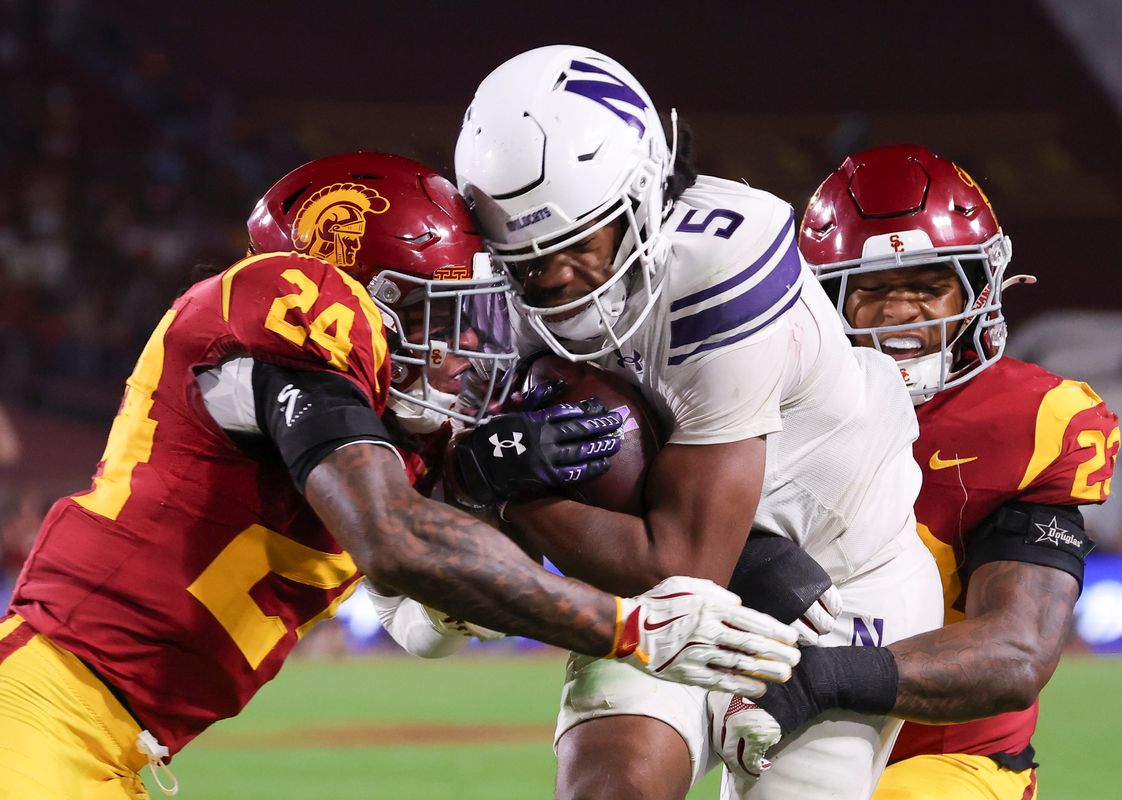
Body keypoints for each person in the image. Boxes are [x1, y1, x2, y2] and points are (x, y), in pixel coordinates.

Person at [0, 152, 803, 799]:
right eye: (433, 318)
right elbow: (393, 540)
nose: (459, 356)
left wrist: (479, 489)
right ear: (365, 296)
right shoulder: (295, 301)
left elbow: (425, 626)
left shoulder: (379, 450)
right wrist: (632, 629)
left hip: (112, 749)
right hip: (39, 720)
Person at [451, 46, 943, 800]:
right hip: (681, 569)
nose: (553, 279)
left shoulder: (724, 263)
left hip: (838, 586)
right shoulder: (493, 283)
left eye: (579, 243)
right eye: (526, 259)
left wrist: (508, 487)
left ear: (643, 191)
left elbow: (681, 564)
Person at [721, 144, 1120, 799]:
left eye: (929, 286)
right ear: (821, 303)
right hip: (780, 711)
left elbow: (1017, 652)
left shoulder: (1030, 420)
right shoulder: (760, 399)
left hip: (946, 752)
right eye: (871, 289)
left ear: (977, 287)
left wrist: (826, 677)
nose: (902, 312)